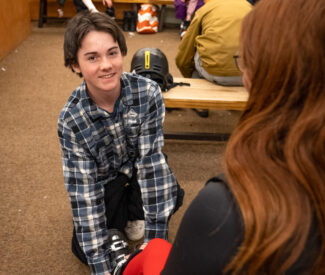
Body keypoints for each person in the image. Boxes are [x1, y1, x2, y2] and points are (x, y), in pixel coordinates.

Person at [108, 0, 325, 274]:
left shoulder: (224, 209)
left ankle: (120, 267)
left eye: (245, 61)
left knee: (154, 249)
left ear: (266, 75)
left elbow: (185, 53)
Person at [58, 11, 184, 275]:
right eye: (93, 57)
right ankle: (119, 226)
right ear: (75, 65)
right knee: (83, 243)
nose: (106, 65)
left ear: (122, 53)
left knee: (170, 190)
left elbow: (151, 166)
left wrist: (154, 244)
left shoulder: (148, 93)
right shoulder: (71, 120)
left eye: (112, 53)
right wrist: (103, 269)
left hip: (136, 173)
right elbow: (84, 193)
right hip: (104, 185)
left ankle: (133, 218)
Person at [176, 0, 251, 117]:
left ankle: (200, 105)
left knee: (197, 49)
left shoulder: (206, 9)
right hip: (246, 75)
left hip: (213, 73)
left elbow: (185, 50)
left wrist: (188, 75)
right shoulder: (248, 6)